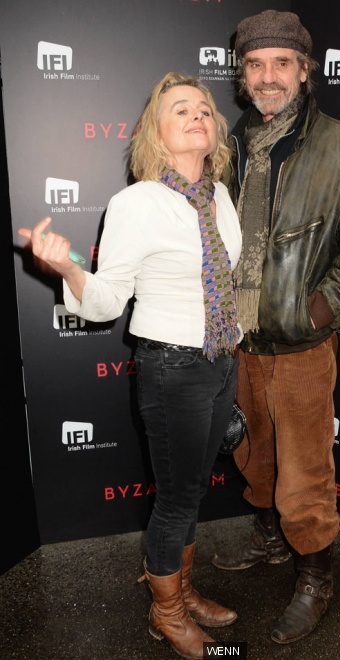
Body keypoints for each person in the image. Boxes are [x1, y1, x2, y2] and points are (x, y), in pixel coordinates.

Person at [18, 71, 242, 660]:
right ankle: (166, 612)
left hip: (222, 359)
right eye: (179, 110)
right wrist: (69, 268)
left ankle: (182, 591)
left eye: (203, 108)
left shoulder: (219, 195)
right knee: (176, 499)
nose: (196, 116)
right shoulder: (135, 203)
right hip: (173, 368)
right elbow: (107, 301)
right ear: (155, 133)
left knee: (192, 490)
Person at [211, 9, 340, 645]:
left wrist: (315, 311)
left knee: (305, 474)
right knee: (254, 454)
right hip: (239, 341)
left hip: (301, 346)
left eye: (281, 63)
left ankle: (316, 577)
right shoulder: (230, 145)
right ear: (242, 75)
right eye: (255, 64)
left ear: (305, 71)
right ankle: (267, 539)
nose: (268, 76)